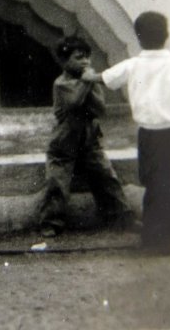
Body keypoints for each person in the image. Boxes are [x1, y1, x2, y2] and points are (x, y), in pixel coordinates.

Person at [82, 12, 170, 253]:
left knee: (152, 183)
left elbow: (103, 78)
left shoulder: (133, 65)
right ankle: (165, 235)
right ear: (166, 35)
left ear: (138, 38)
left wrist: (86, 74)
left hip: (147, 136)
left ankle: (154, 236)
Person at [38, 35, 135, 238]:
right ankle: (51, 222)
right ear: (64, 61)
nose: (85, 62)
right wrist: (87, 82)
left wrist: (90, 84)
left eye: (87, 58)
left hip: (89, 139)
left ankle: (122, 218)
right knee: (57, 182)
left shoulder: (90, 83)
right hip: (64, 142)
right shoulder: (61, 83)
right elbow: (73, 102)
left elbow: (100, 109)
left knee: (107, 177)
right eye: (78, 57)